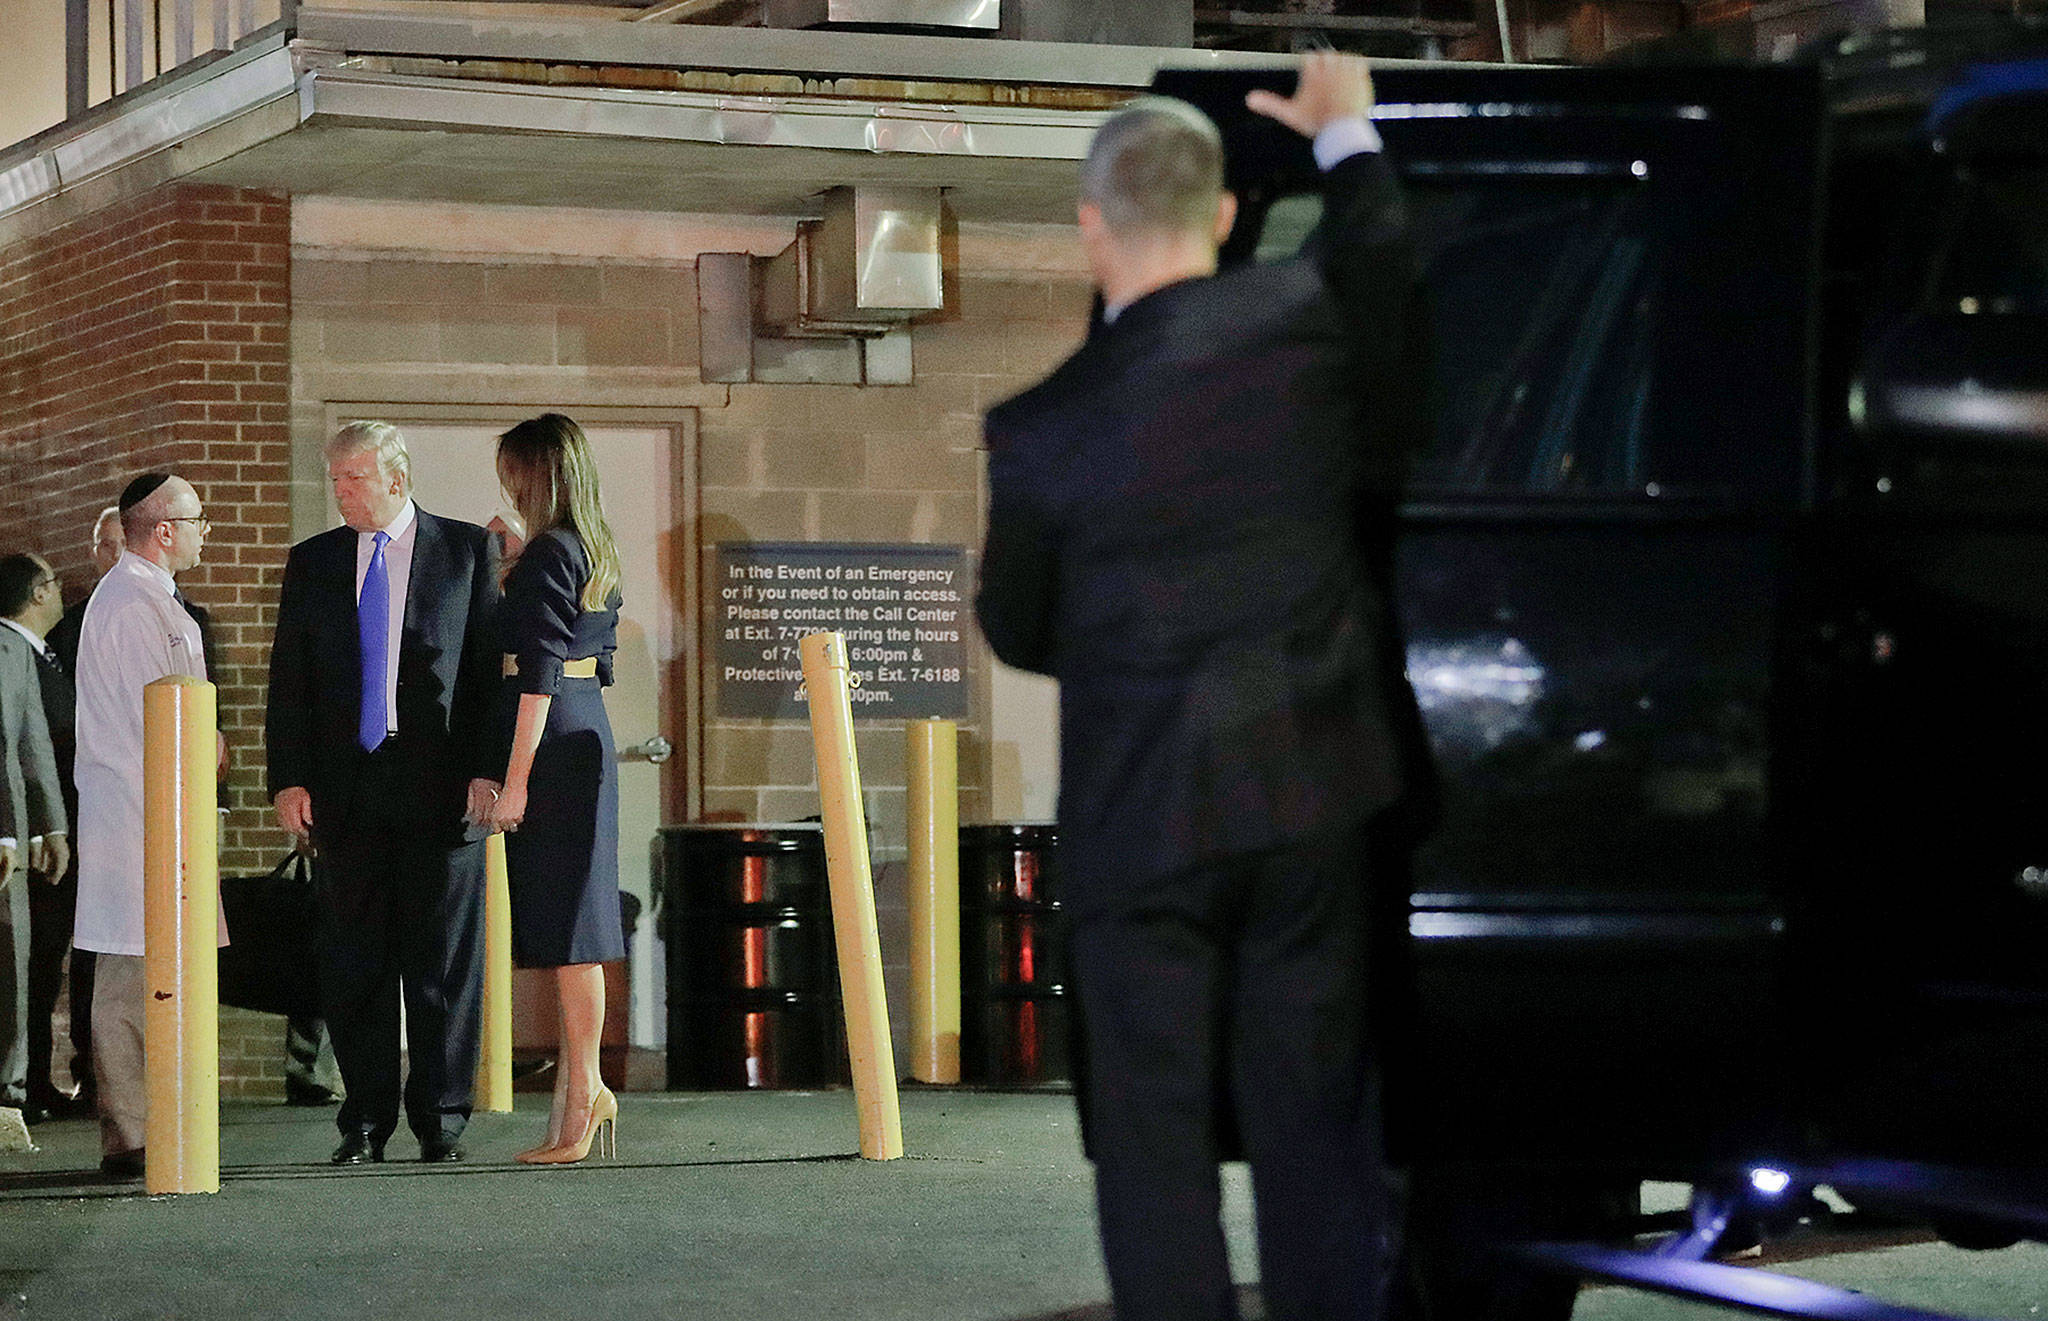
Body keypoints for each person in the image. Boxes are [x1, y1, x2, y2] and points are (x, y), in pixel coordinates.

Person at [974, 53, 1434, 1321]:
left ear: (1085, 228)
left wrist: (1124, 650)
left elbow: (1015, 627)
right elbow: (1380, 249)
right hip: (1306, 794)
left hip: (1141, 821)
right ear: (1227, 216)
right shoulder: (1306, 326)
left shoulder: (1040, 425)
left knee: (1153, 1149)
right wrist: (1346, 136)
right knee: (1313, 1128)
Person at [266, 421, 501, 1165]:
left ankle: (442, 1119)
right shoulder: (313, 563)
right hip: (347, 789)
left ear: (398, 479)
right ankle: (364, 1121)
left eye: (354, 479)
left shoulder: (465, 551)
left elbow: (489, 676)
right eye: (334, 480)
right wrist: (288, 777)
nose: (340, 492)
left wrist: (489, 770)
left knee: (440, 964)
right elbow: (290, 681)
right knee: (354, 962)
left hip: (440, 787)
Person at [478, 413, 625, 1166]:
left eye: (512, 472)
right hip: (586, 729)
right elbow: (596, 658)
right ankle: (578, 1100)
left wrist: (514, 780)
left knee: (573, 936)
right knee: (579, 934)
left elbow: (535, 674)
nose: (505, 485)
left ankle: (585, 1095)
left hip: (553, 741)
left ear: (536, 473)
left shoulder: (549, 552)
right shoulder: (592, 546)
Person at [73, 474, 223, 1179]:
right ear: (164, 529)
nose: (204, 532)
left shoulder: (147, 600)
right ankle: (133, 1128)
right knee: (133, 970)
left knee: (148, 966)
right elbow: (156, 720)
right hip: (142, 812)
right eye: (197, 520)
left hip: (159, 809)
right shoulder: (133, 605)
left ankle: (151, 1120)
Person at [43, 506, 123, 1114]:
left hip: (158, 806)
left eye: (121, 542)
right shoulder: (66, 633)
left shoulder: (185, 616)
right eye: (104, 545)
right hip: (82, 806)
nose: (112, 555)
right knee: (86, 941)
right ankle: (87, 1073)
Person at [0, 555, 80, 1124]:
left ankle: (18, 1085)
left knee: (28, 961)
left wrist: (52, 824)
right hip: (9, 842)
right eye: (53, 583)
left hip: (29, 838)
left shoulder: (30, 654)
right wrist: (10, 830)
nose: (60, 592)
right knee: (14, 962)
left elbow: (33, 750)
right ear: (33, 593)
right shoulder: (5, 650)